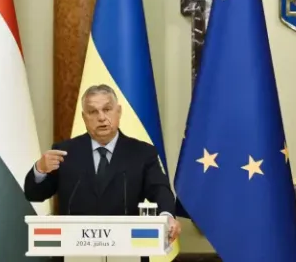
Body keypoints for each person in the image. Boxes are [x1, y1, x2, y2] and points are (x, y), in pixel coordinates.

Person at [24, 84, 181, 259]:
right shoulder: (65, 152)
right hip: (73, 254)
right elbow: (34, 194)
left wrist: (167, 217)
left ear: (118, 111)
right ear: (84, 117)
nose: (101, 117)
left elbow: (160, 190)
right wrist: (40, 169)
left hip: (127, 254)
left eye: (107, 109)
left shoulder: (142, 153)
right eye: (93, 112)